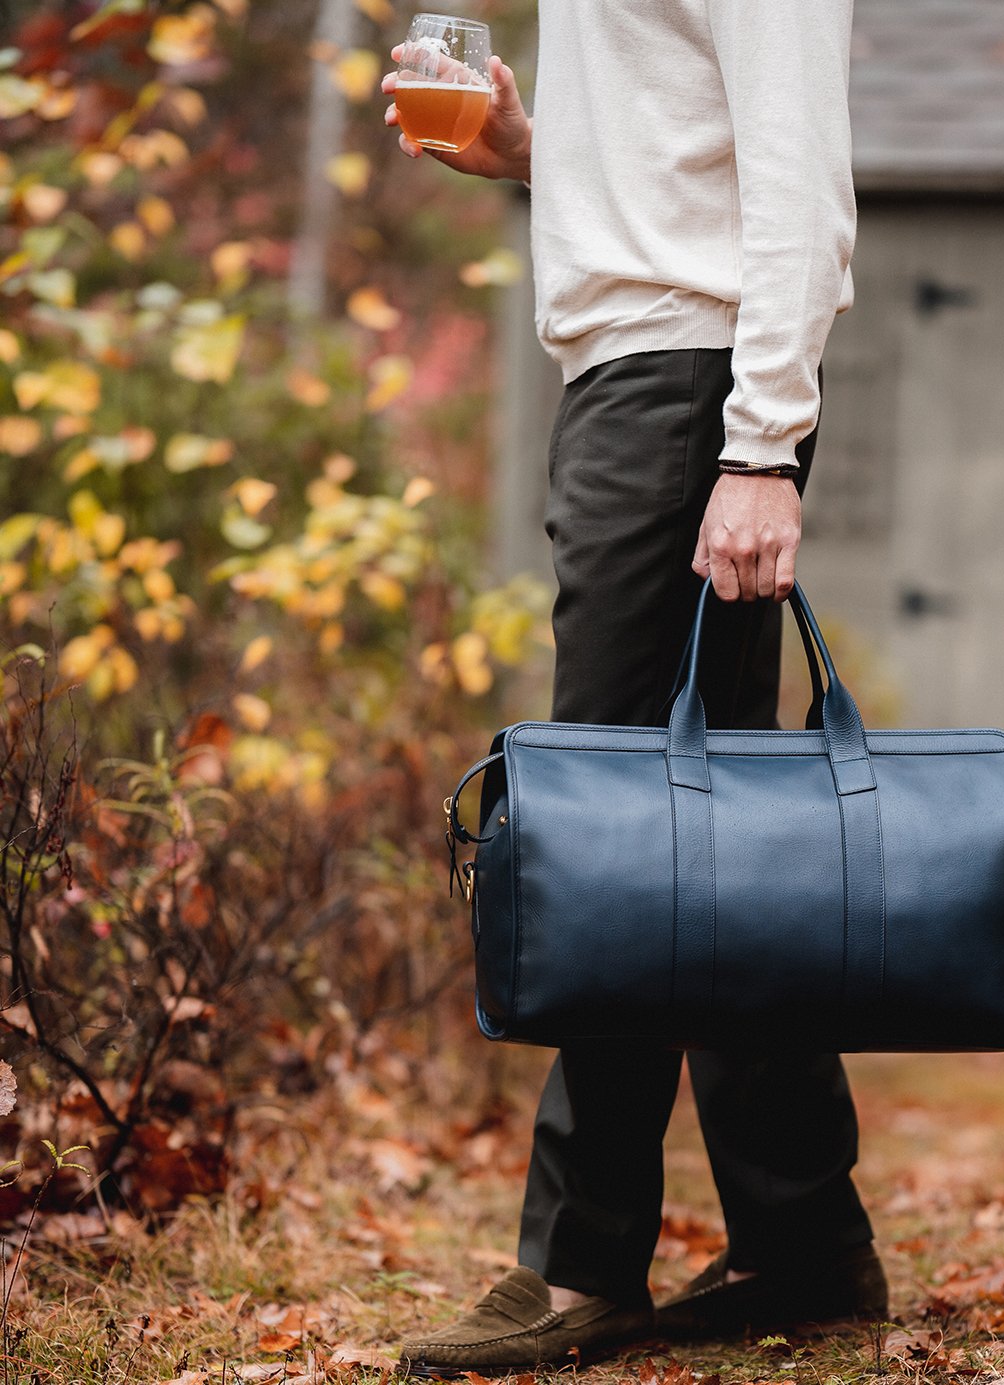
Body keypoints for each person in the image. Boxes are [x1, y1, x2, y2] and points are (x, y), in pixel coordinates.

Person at [381, 2, 886, 1375]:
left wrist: (761, 448)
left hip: (686, 392)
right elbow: (690, 163)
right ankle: (802, 1240)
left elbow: (796, 178)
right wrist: (531, 153)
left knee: (610, 823)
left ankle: (579, 1261)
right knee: (711, 840)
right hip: (652, 375)